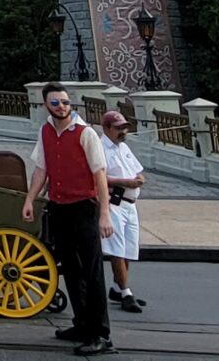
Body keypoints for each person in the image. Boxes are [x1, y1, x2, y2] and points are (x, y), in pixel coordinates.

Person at [22, 83, 113, 355]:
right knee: (71, 270)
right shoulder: (46, 131)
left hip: (84, 207)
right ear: (45, 106)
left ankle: (101, 334)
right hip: (59, 206)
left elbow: (100, 175)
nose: (61, 106)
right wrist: (30, 198)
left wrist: (104, 214)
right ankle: (82, 324)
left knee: (92, 271)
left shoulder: (86, 134)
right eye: (55, 103)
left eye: (64, 102)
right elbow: (42, 168)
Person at [98, 111, 147, 313]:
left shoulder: (123, 147)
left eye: (124, 128)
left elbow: (137, 170)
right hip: (114, 201)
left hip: (130, 202)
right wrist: (125, 182)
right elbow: (98, 177)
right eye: (118, 128)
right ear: (107, 128)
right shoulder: (100, 149)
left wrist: (138, 179)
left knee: (128, 248)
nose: (123, 132)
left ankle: (119, 286)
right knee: (117, 249)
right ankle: (126, 292)